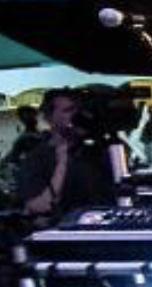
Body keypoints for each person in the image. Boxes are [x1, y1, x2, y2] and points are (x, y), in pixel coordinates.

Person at [16, 90, 115, 222]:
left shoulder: (98, 149)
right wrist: (61, 163)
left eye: (79, 110)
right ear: (49, 117)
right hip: (69, 232)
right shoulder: (37, 158)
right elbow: (39, 206)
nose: (77, 115)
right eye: (69, 110)